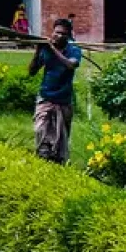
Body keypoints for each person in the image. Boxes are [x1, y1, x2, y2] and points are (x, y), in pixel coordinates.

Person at [28, 18, 81, 165]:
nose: (58, 36)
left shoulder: (74, 50)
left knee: (60, 140)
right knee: (41, 130)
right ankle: (42, 157)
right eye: (56, 32)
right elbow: (32, 71)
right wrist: (38, 51)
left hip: (63, 101)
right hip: (45, 97)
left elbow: (70, 65)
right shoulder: (45, 49)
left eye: (62, 34)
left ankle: (58, 163)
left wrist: (53, 49)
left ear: (68, 36)